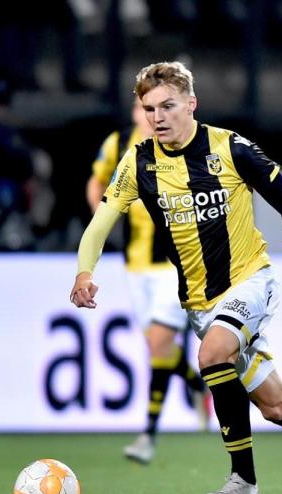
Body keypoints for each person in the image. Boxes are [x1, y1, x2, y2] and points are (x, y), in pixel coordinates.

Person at [70, 61, 282, 494]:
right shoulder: (139, 161)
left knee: (211, 355)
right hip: (200, 304)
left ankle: (242, 480)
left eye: (168, 106)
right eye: (149, 109)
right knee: (277, 407)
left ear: (191, 104)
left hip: (250, 282)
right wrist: (84, 272)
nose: (158, 117)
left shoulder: (230, 148)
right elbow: (99, 224)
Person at [86, 101, 210, 464]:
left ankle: (148, 434)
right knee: (160, 349)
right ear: (136, 113)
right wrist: (103, 220)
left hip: (175, 264)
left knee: (158, 343)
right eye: (146, 109)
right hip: (135, 265)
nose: (153, 117)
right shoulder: (119, 143)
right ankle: (195, 383)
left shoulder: (179, 145)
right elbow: (96, 184)